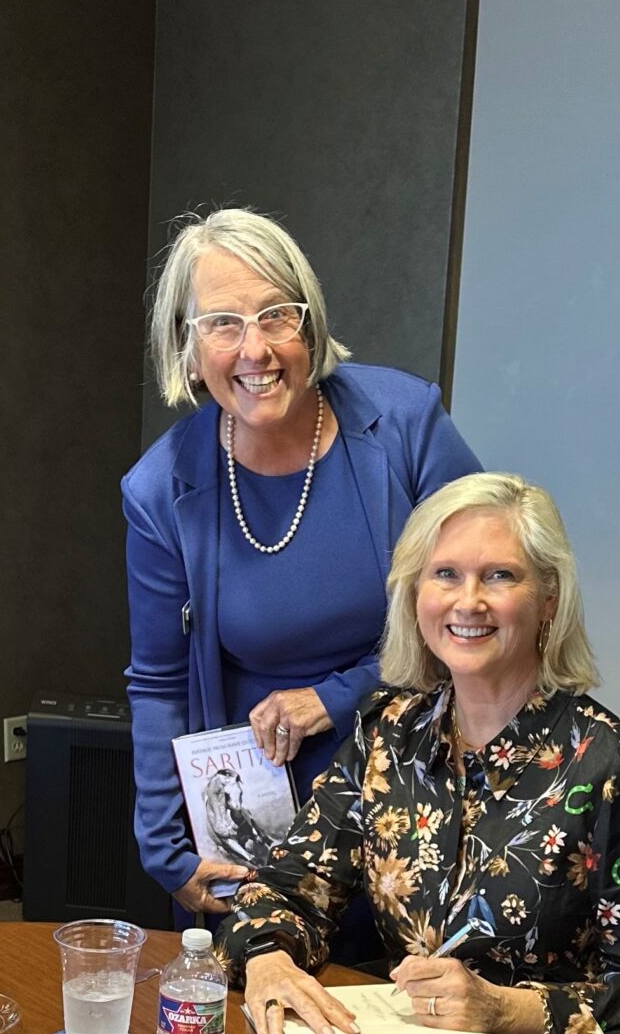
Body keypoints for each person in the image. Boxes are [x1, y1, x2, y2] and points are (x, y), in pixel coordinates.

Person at [220, 473, 620, 1034]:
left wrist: (505, 1009)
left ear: (548, 600)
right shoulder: (387, 733)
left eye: (499, 575)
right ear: (416, 593)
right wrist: (266, 957)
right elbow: (284, 888)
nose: (468, 601)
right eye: (445, 573)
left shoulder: (617, 766)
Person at [125, 208, 479, 916]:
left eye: (275, 315)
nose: (254, 349)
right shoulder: (161, 489)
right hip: (258, 819)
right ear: (188, 350)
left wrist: (337, 697)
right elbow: (159, 682)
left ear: (310, 325)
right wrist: (168, 850)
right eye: (223, 323)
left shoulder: (406, 424)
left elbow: (485, 608)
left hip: (418, 786)